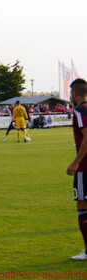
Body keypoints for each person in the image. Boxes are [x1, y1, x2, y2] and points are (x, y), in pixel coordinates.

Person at [66, 78, 87, 260]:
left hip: (85, 166)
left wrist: (76, 162)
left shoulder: (80, 110)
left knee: (83, 204)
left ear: (74, 93)